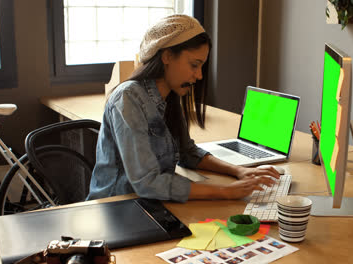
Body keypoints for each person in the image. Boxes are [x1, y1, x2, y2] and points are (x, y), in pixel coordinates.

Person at [87, 14, 279, 203]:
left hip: (149, 204)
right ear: (167, 56)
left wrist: (239, 171)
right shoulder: (128, 98)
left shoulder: (170, 95)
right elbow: (147, 183)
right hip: (115, 207)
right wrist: (224, 191)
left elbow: (187, 153)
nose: (199, 76)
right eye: (194, 65)